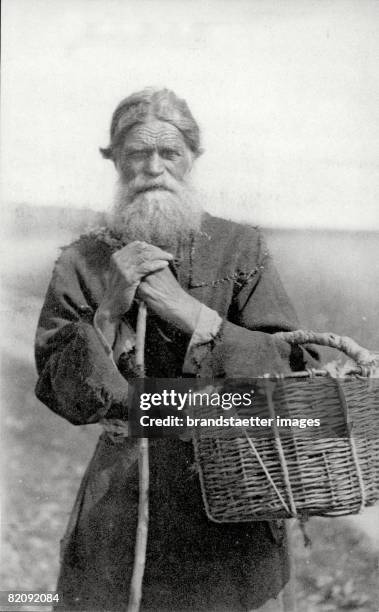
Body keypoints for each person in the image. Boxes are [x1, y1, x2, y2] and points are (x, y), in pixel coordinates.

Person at [35, 88, 314, 611]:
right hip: (123, 503)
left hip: (235, 500)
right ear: (114, 159)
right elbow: (61, 394)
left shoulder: (240, 247)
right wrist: (110, 310)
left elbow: (290, 375)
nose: (153, 168)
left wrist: (187, 312)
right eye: (137, 153)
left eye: (170, 153)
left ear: (193, 159)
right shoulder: (82, 259)